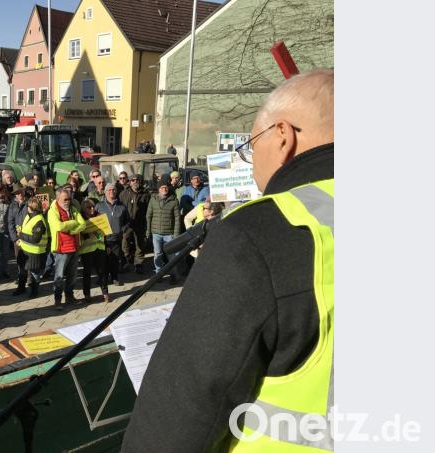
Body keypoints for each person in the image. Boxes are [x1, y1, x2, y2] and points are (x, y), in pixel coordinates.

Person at [122, 69, 334, 452]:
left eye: (251, 146)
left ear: (283, 136)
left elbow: (178, 412)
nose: (250, 162)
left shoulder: (259, 231)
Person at [47, 187, 86, 309]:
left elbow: (83, 224)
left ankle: (70, 297)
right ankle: (57, 300)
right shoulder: (52, 211)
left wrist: (74, 230)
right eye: (65, 199)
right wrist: (74, 223)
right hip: (61, 249)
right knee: (59, 276)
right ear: (58, 199)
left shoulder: (73, 209)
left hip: (74, 247)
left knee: (72, 275)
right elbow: (59, 226)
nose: (67, 201)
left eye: (69, 199)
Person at [95, 184, 130, 286]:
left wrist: (122, 229)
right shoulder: (99, 205)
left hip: (116, 238)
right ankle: (102, 278)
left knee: (115, 260)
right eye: (109, 190)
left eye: (113, 190)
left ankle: (114, 278)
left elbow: (127, 221)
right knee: (102, 260)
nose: (111, 192)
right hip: (103, 238)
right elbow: (94, 221)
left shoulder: (122, 206)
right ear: (105, 192)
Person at [78, 199, 110, 303]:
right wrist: (87, 234)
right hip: (86, 250)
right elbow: (79, 232)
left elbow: (106, 231)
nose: (92, 209)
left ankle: (105, 293)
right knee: (87, 273)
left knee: (102, 272)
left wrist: (107, 245)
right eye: (89, 207)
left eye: (93, 206)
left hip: (99, 248)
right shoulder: (81, 218)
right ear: (84, 208)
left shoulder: (99, 216)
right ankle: (87, 295)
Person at [17, 196, 48, 298]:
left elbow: (35, 239)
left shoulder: (39, 220)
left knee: (35, 273)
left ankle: (34, 291)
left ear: (30, 207)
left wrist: (20, 235)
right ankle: (21, 288)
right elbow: (26, 229)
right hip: (24, 249)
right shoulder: (28, 216)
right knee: (22, 270)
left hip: (35, 252)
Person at [120, 174, 151, 274]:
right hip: (127, 224)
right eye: (132, 180)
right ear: (129, 182)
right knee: (124, 244)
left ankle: (139, 265)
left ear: (140, 181)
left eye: (137, 180)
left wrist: (147, 224)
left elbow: (148, 211)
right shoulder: (124, 194)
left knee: (140, 245)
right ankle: (128, 260)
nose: (135, 182)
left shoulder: (146, 194)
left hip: (140, 223)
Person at [6, 183, 28, 295]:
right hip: (18, 239)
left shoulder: (29, 203)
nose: (20, 194)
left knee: (30, 262)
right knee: (20, 262)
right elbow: (10, 222)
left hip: (29, 238)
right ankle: (21, 285)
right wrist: (15, 238)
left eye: (21, 192)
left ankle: (32, 283)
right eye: (17, 193)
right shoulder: (12, 205)